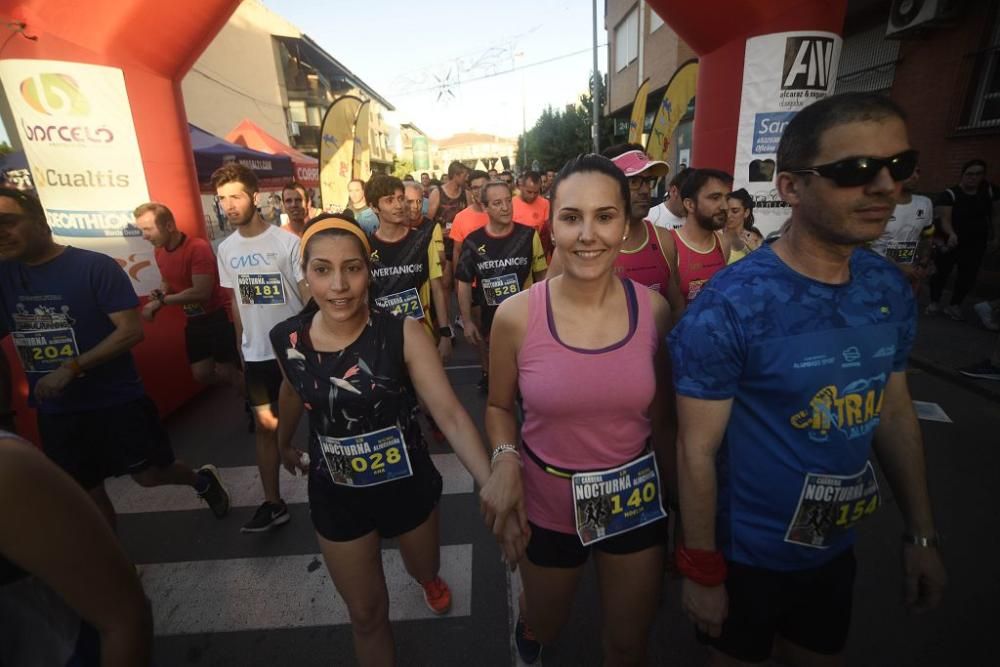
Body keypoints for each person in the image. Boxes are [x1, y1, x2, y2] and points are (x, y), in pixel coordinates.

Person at [670, 92, 946, 666]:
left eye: (900, 166)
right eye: (854, 171)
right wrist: (701, 569)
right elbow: (696, 450)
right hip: (745, 556)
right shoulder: (729, 306)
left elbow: (893, 412)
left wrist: (921, 536)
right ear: (791, 187)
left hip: (831, 550)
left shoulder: (888, 289)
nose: (884, 187)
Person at [271, 216, 523, 665]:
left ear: (368, 270)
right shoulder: (286, 338)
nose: (339, 285)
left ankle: (428, 580)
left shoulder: (402, 332)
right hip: (336, 495)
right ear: (304, 274)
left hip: (407, 487)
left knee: (424, 568)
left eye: (352, 268)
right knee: (366, 616)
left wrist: (493, 490)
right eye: (323, 270)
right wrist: (282, 443)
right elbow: (292, 389)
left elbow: (449, 413)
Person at [486, 154, 674, 665]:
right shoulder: (516, 315)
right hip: (547, 504)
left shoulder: (654, 311)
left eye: (604, 216)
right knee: (546, 625)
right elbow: (500, 405)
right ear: (551, 224)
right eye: (572, 217)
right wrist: (505, 460)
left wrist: (680, 505)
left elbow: (662, 418)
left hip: (633, 500)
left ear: (625, 223)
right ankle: (531, 616)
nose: (588, 234)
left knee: (628, 642)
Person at [0, 188, 230, 529]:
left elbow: (131, 331)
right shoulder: (4, 276)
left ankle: (201, 481)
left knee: (151, 475)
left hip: (115, 400)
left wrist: (72, 368)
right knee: (87, 492)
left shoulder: (94, 267)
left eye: (8, 221)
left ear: (39, 220)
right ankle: (120, 570)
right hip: (56, 410)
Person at [0, 433, 152, 666]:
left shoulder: (8, 467)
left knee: (151, 475)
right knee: (95, 492)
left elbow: (127, 620)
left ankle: (200, 482)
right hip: (62, 422)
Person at [214, 163, 306, 533]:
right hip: (257, 359)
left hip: (296, 356)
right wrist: (242, 347)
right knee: (266, 428)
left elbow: (307, 297)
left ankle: (351, 496)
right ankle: (273, 503)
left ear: (255, 197)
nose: (229, 205)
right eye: (222, 199)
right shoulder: (226, 249)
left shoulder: (288, 243)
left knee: (326, 423)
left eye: (236, 196)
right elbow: (238, 301)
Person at [547, 144, 686, 319]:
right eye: (634, 182)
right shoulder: (576, 250)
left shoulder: (663, 239)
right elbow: (547, 310)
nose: (645, 190)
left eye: (648, 181)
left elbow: (676, 307)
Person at [134, 202, 243, 391]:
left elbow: (201, 293)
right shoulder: (159, 250)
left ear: (168, 226)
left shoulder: (197, 248)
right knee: (201, 374)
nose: (144, 236)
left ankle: (255, 407)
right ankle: (245, 388)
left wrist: (161, 302)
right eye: (141, 230)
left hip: (219, 316)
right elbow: (166, 281)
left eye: (148, 229)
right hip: (194, 319)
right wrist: (161, 292)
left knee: (227, 370)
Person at [456, 180, 548, 393]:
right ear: (485, 207)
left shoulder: (528, 235)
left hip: (527, 320)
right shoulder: (472, 241)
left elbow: (542, 274)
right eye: (497, 203)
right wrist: (467, 321)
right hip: (491, 323)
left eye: (508, 201)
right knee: (500, 385)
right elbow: (463, 282)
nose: (505, 207)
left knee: (528, 382)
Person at [365, 175, 453, 362]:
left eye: (400, 198)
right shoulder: (365, 248)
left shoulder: (422, 241)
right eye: (389, 200)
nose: (398, 205)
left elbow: (437, 288)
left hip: (422, 336)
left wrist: (445, 333)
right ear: (373, 207)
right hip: (382, 340)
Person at [927, 159, 1000, 320]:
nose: (973, 178)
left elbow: (995, 215)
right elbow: (944, 219)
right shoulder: (950, 194)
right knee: (941, 272)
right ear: (963, 175)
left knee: (968, 275)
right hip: (949, 240)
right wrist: (951, 233)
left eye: (978, 174)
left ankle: (954, 305)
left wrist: (996, 237)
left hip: (976, 242)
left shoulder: (989, 192)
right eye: (969, 174)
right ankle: (934, 301)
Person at [669, 169, 733, 303]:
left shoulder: (723, 243)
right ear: (690, 205)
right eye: (715, 198)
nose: (725, 206)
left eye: (727, 198)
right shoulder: (669, 245)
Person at [869, 167, 934, 292]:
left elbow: (927, 237)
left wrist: (922, 266)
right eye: (909, 171)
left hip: (908, 275)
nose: (915, 176)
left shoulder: (925, 203)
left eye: (918, 171)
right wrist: (898, 265)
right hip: (875, 272)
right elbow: (860, 246)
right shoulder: (876, 204)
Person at [449, 170, 490, 268]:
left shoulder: (500, 213)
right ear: (470, 190)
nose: (480, 191)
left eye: (483, 186)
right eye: (475, 188)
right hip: (471, 280)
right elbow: (457, 251)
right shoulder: (460, 218)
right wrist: (457, 281)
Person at [512, 171, 552, 257]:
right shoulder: (511, 204)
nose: (532, 196)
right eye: (529, 192)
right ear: (521, 187)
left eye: (536, 192)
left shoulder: (545, 203)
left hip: (539, 253)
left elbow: (548, 230)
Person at [724, 188, 755, 264]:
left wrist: (756, 252)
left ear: (746, 213)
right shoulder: (715, 238)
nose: (728, 215)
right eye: (726, 211)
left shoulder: (755, 239)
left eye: (735, 211)